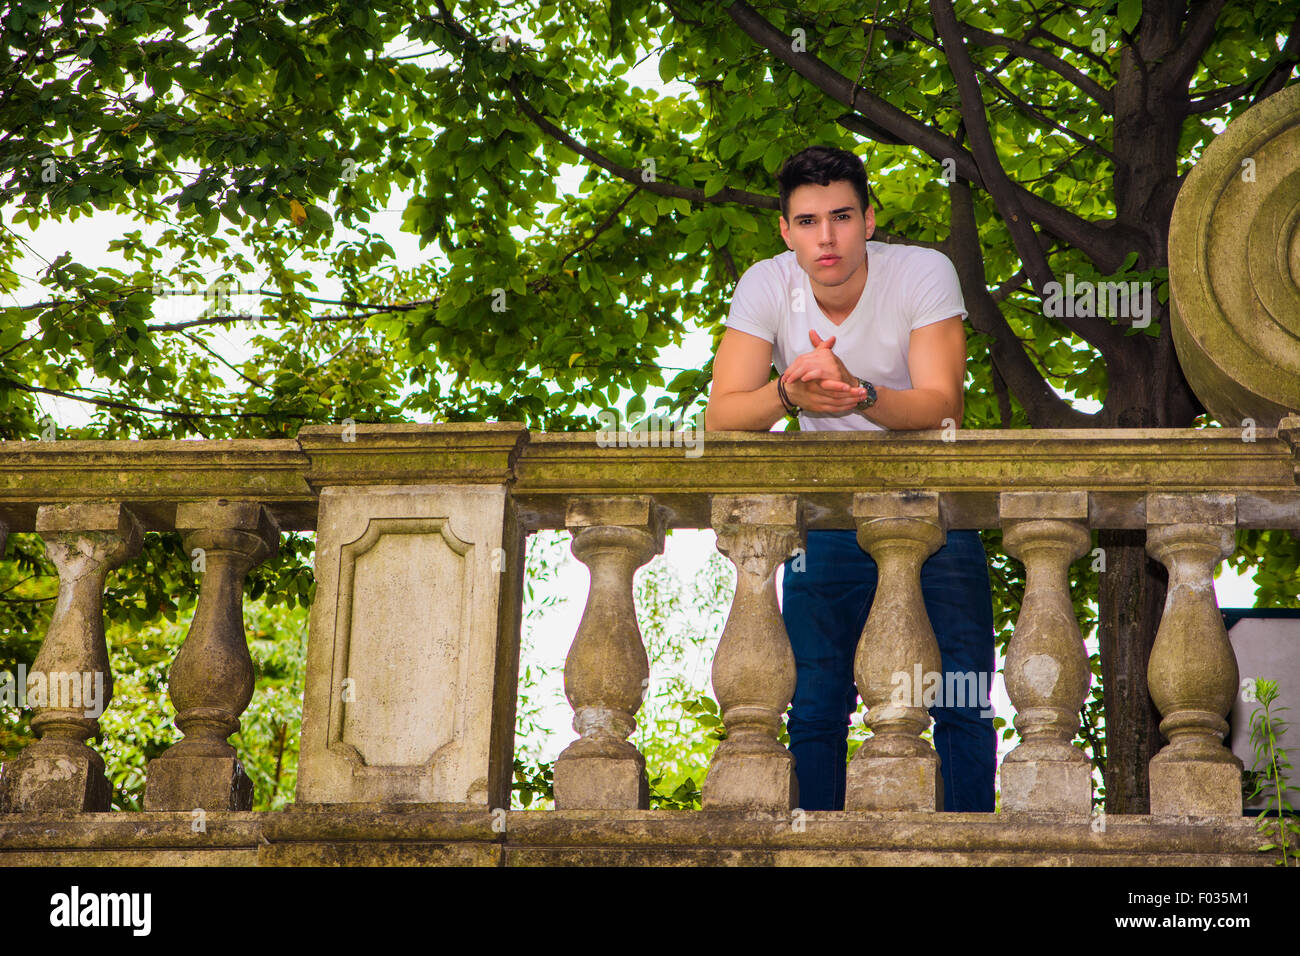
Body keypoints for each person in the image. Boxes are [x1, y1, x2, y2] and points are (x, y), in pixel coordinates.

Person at [704, 145, 996, 812]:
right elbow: (722, 416)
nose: (825, 237)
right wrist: (790, 394)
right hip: (828, 520)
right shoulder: (765, 284)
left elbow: (942, 403)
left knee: (958, 700)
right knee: (814, 703)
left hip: (936, 510)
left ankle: (967, 851)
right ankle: (819, 848)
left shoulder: (923, 271)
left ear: (870, 218)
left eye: (840, 216)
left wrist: (858, 394)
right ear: (785, 231)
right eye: (806, 222)